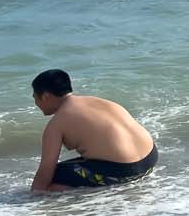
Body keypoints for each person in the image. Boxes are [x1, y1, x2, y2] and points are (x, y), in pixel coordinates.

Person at [28, 70, 157, 192]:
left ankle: (85, 196)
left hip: (126, 171)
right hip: (150, 159)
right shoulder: (98, 101)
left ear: (45, 96)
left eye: (35, 98)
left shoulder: (56, 124)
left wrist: (32, 199)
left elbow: (46, 170)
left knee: (56, 175)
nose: (35, 103)